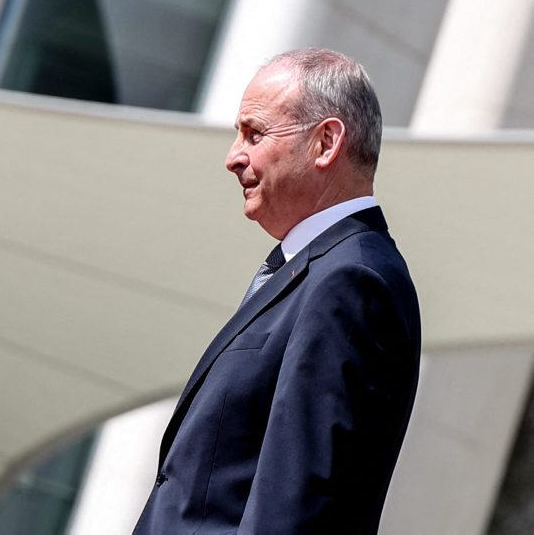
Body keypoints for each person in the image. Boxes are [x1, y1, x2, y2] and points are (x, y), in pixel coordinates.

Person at [134, 48, 421, 534]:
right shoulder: (317, 272)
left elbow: (295, 509)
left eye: (255, 134)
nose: (232, 158)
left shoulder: (351, 282)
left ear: (326, 142)